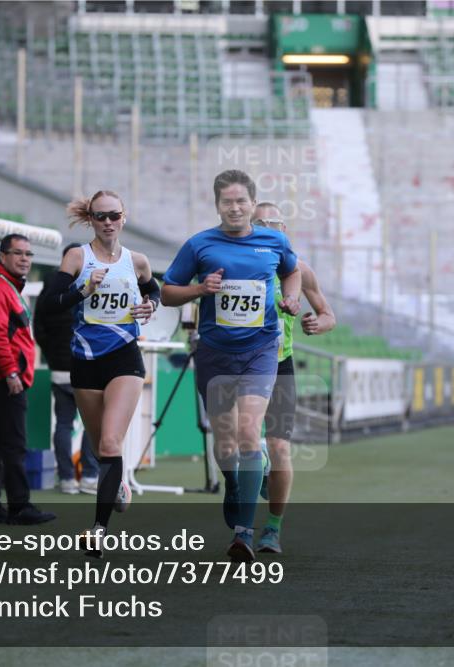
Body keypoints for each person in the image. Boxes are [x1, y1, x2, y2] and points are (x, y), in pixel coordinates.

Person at [161, 170, 301, 562]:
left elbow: (292, 271)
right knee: (224, 441)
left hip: (260, 350)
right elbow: (167, 292)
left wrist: (290, 299)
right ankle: (234, 483)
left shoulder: (274, 241)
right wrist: (199, 290)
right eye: (227, 202)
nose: (235, 208)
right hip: (215, 354)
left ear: (253, 205)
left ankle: (244, 532)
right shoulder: (199, 244)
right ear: (218, 205)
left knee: (247, 430)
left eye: (242, 201)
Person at [42, 190, 159, 557]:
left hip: (125, 359)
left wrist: (149, 305)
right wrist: (83, 290)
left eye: (114, 215)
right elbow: (49, 304)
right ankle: (118, 483)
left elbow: (153, 288)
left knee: (110, 443)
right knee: (98, 445)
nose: (108, 222)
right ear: (90, 220)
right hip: (85, 362)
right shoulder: (78, 256)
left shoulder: (136, 261)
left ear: (123, 218)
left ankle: (98, 530)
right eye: (100, 216)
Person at [251, 203, 336, 555]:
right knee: (237, 449)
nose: (270, 231)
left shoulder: (300, 269)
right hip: (242, 365)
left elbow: (328, 315)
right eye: (262, 225)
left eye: (276, 226)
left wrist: (318, 324)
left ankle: (272, 530)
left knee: (281, 447)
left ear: (285, 230)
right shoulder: (241, 266)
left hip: (280, 364)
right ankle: (242, 521)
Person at [0, 233, 56, 525]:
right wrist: (10, 372)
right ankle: (19, 507)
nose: (24, 258)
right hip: (4, 377)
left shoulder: (7, 287)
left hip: (3, 376)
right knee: (14, 444)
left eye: (28, 254)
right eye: (18, 253)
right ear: (3, 257)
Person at [34, 243, 99, 495]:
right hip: (86, 364)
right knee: (92, 424)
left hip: (59, 366)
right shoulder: (90, 282)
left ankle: (67, 479)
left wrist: (51, 353)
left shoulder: (49, 285)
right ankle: (89, 477)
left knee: (63, 423)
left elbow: (38, 326)